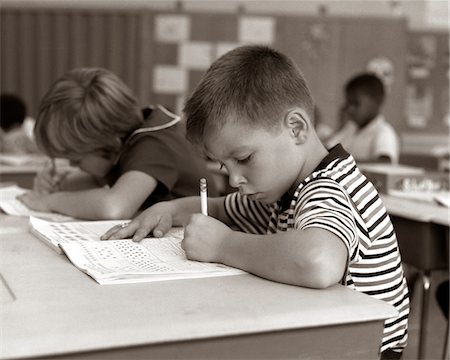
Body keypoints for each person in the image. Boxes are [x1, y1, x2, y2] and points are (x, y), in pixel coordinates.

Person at [102, 45, 409, 359]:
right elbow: (222, 208)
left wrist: (222, 245)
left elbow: (317, 261)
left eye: (244, 158)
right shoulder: (279, 189)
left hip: (362, 351)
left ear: (296, 128)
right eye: (224, 166)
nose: (235, 179)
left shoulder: (329, 187)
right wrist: (169, 209)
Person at [18, 68, 217, 220]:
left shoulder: (155, 142)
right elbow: (98, 180)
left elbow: (114, 207)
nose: (72, 166)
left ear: (108, 142)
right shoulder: (129, 139)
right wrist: (58, 185)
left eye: (77, 160)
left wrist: (50, 201)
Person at [326, 72, 400, 164]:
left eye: (355, 103)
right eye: (348, 103)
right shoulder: (350, 129)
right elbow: (326, 152)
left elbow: (384, 163)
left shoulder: (384, 132)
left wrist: (343, 164)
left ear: (377, 101)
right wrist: (340, 126)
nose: (350, 109)